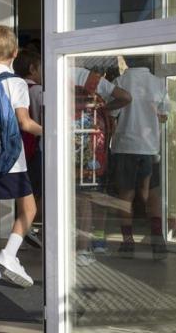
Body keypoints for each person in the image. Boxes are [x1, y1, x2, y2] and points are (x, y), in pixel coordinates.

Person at [0, 25, 42, 287]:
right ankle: (9, 254)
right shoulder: (16, 83)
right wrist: (52, 132)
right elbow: (24, 123)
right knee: (29, 208)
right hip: (10, 160)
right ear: (15, 53)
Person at [110, 55, 169, 259]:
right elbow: (164, 116)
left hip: (125, 146)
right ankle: (157, 240)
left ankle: (127, 242)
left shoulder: (120, 82)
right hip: (150, 148)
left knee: (125, 196)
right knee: (153, 195)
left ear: (126, 60)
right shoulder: (159, 83)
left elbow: (111, 115)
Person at [71, 67, 131, 266]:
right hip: (92, 146)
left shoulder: (53, 71)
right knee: (90, 198)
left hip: (64, 144)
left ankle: (67, 246)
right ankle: (86, 247)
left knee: (70, 198)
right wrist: (105, 109)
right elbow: (125, 97)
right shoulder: (92, 79)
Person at [13, 49, 43, 249]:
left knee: (25, 189)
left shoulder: (17, 87)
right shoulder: (39, 91)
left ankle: (24, 225)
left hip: (20, 146)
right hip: (36, 145)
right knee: (37, 191)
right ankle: (28, 226)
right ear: (32, 69)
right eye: (41, 67)